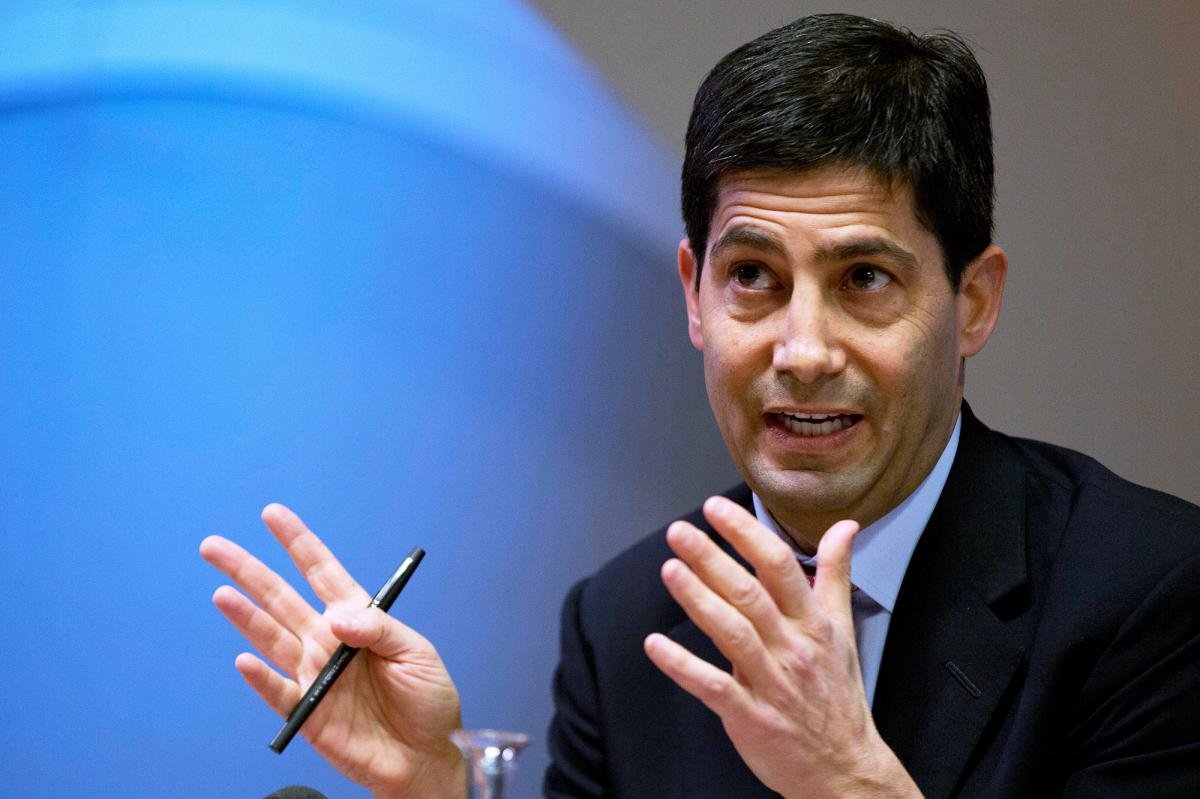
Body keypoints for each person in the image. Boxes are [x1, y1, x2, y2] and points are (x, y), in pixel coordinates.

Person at [200, 13, 1200, 798]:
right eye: (753, 276)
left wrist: (847, 781)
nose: (802, 353)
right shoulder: (628, 623)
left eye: (863, 279)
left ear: (972, 301)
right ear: (693, 292)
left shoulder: (1151, 597)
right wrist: (437, 787)